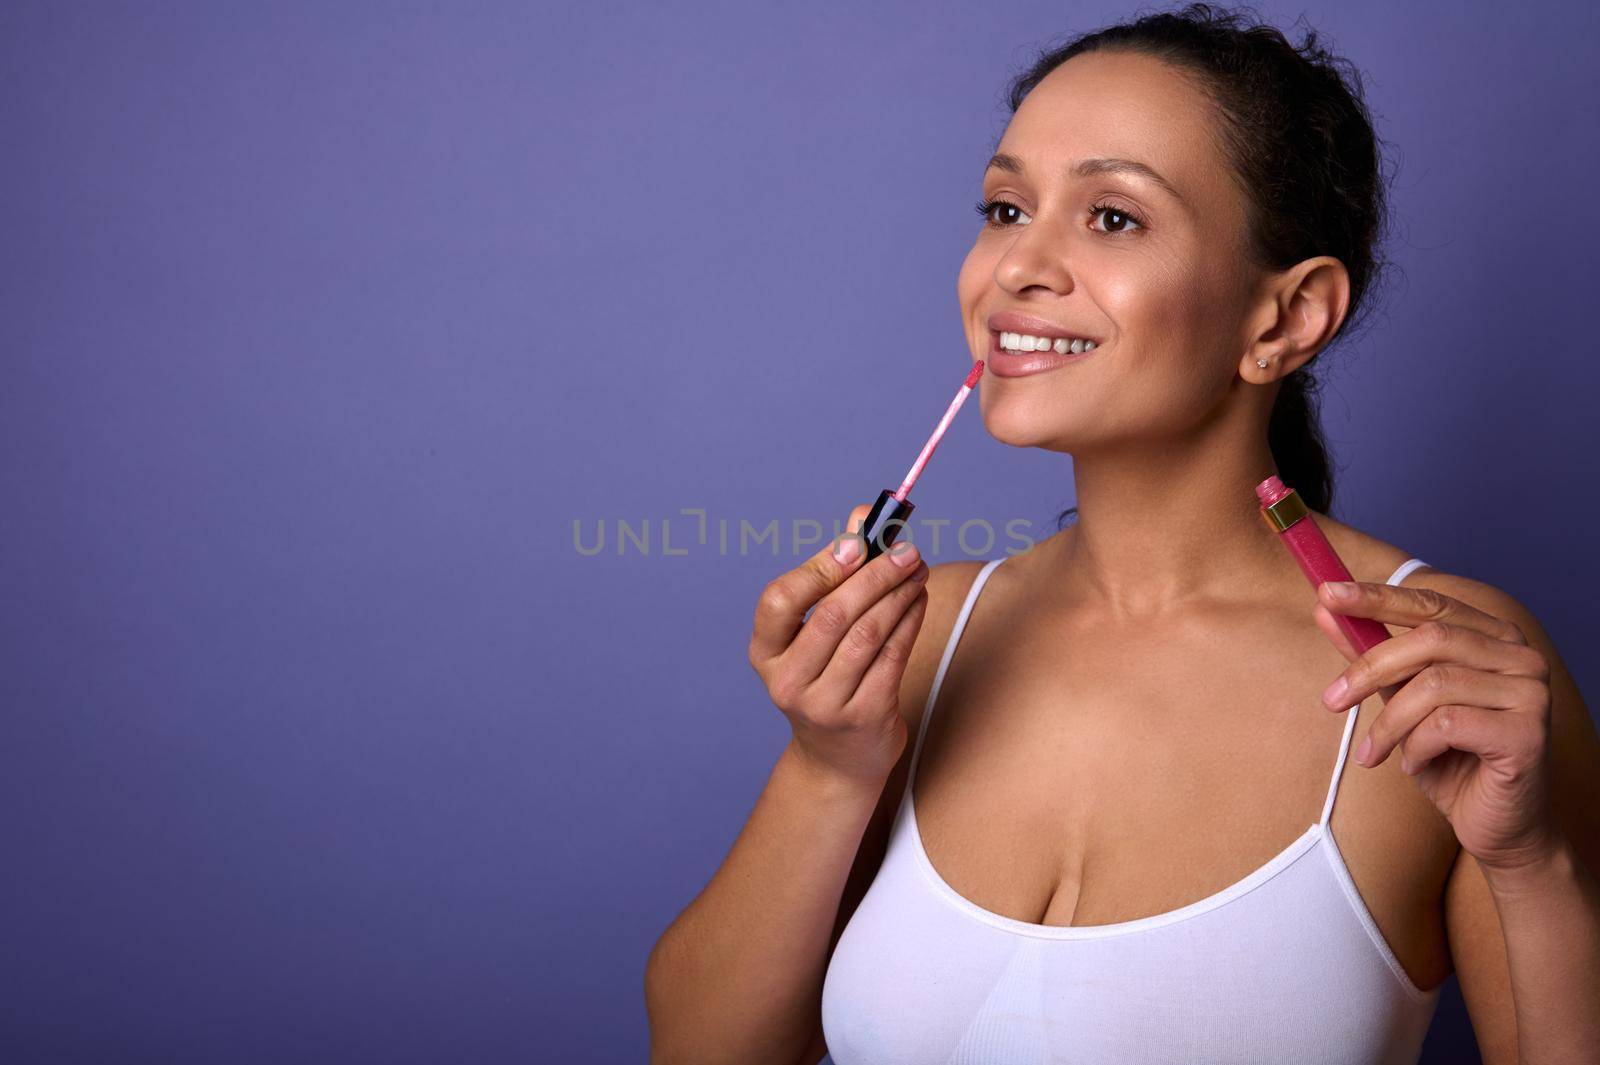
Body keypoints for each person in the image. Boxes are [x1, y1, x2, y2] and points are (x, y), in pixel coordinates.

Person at [644, 6, 1600, 1062]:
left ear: (1283, 319)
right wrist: (825, 770)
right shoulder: (925, 637)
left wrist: (1529, 866)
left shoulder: (1440, 666)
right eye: (1004, 208)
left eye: (1111, 219)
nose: (1014, 268)